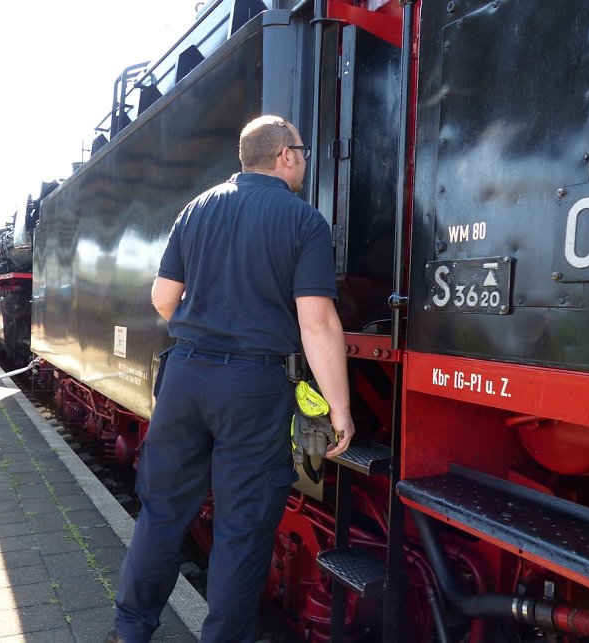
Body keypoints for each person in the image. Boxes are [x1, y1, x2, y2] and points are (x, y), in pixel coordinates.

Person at [110, 116, 355, 643]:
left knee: (162, 513)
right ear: (285, 156)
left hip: (184, 377)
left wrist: (202, 333)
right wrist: (340, 409)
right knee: (242, 530)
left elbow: (162, 298)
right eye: (302, 152)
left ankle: (129, 631)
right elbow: (316, 321)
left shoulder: (197, 208)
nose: (305, 161)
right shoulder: (304, 222)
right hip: (253, 387)